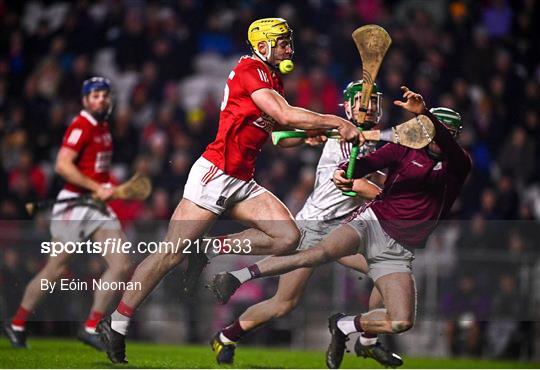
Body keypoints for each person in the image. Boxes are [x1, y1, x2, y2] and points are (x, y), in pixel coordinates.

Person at [97, 17, 360, 364]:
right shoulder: (251, 69)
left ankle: (207, 247)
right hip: (215, 175)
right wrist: (336, 122)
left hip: (241, 181)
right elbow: (284, 113)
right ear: (262, 45)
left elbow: (280, 136)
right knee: (169, 254)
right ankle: (115, 324)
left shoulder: (272, 77)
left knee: (288, 237)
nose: (288, 47)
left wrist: (314, 135)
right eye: (282, 42)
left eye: (288, 41)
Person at [208, 87, 472, 368]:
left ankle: (367, 340)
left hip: (347, 226)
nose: (368, 109)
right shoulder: (344, 136)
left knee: (384, 276)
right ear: (347, 107)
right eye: (362, 104)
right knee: (284, 303)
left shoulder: (374, 139)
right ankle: (226, 336)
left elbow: (387, 173)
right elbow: (355, 183)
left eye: (373, 104)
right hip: (315, 226)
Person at [3, 77, 133, 351]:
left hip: (96, 205)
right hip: (75, 204)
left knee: (121, 264)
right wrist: (97, 185)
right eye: (94, 95)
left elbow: (93, 170)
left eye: (103, 95)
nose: (100, 99)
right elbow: (63, 165)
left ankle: (90, 327)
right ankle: (17, 323)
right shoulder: (81, 125)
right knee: (56, 267)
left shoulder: (103, 127)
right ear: (85, 100)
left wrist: (106, 186)